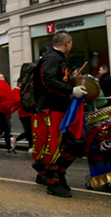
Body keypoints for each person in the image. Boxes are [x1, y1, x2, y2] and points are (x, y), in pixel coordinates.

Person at [32, 30, 87, 198]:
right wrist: (71, 89)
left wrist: (72, 82)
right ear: (67, 42)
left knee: (68, 143)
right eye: (71, 43)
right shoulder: (52, 58)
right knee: (54, 144)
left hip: (59, 108)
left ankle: (49, 174)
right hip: (51, 108)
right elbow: (47, 81)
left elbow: (56, 79)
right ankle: (53, 182)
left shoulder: (58, 59)